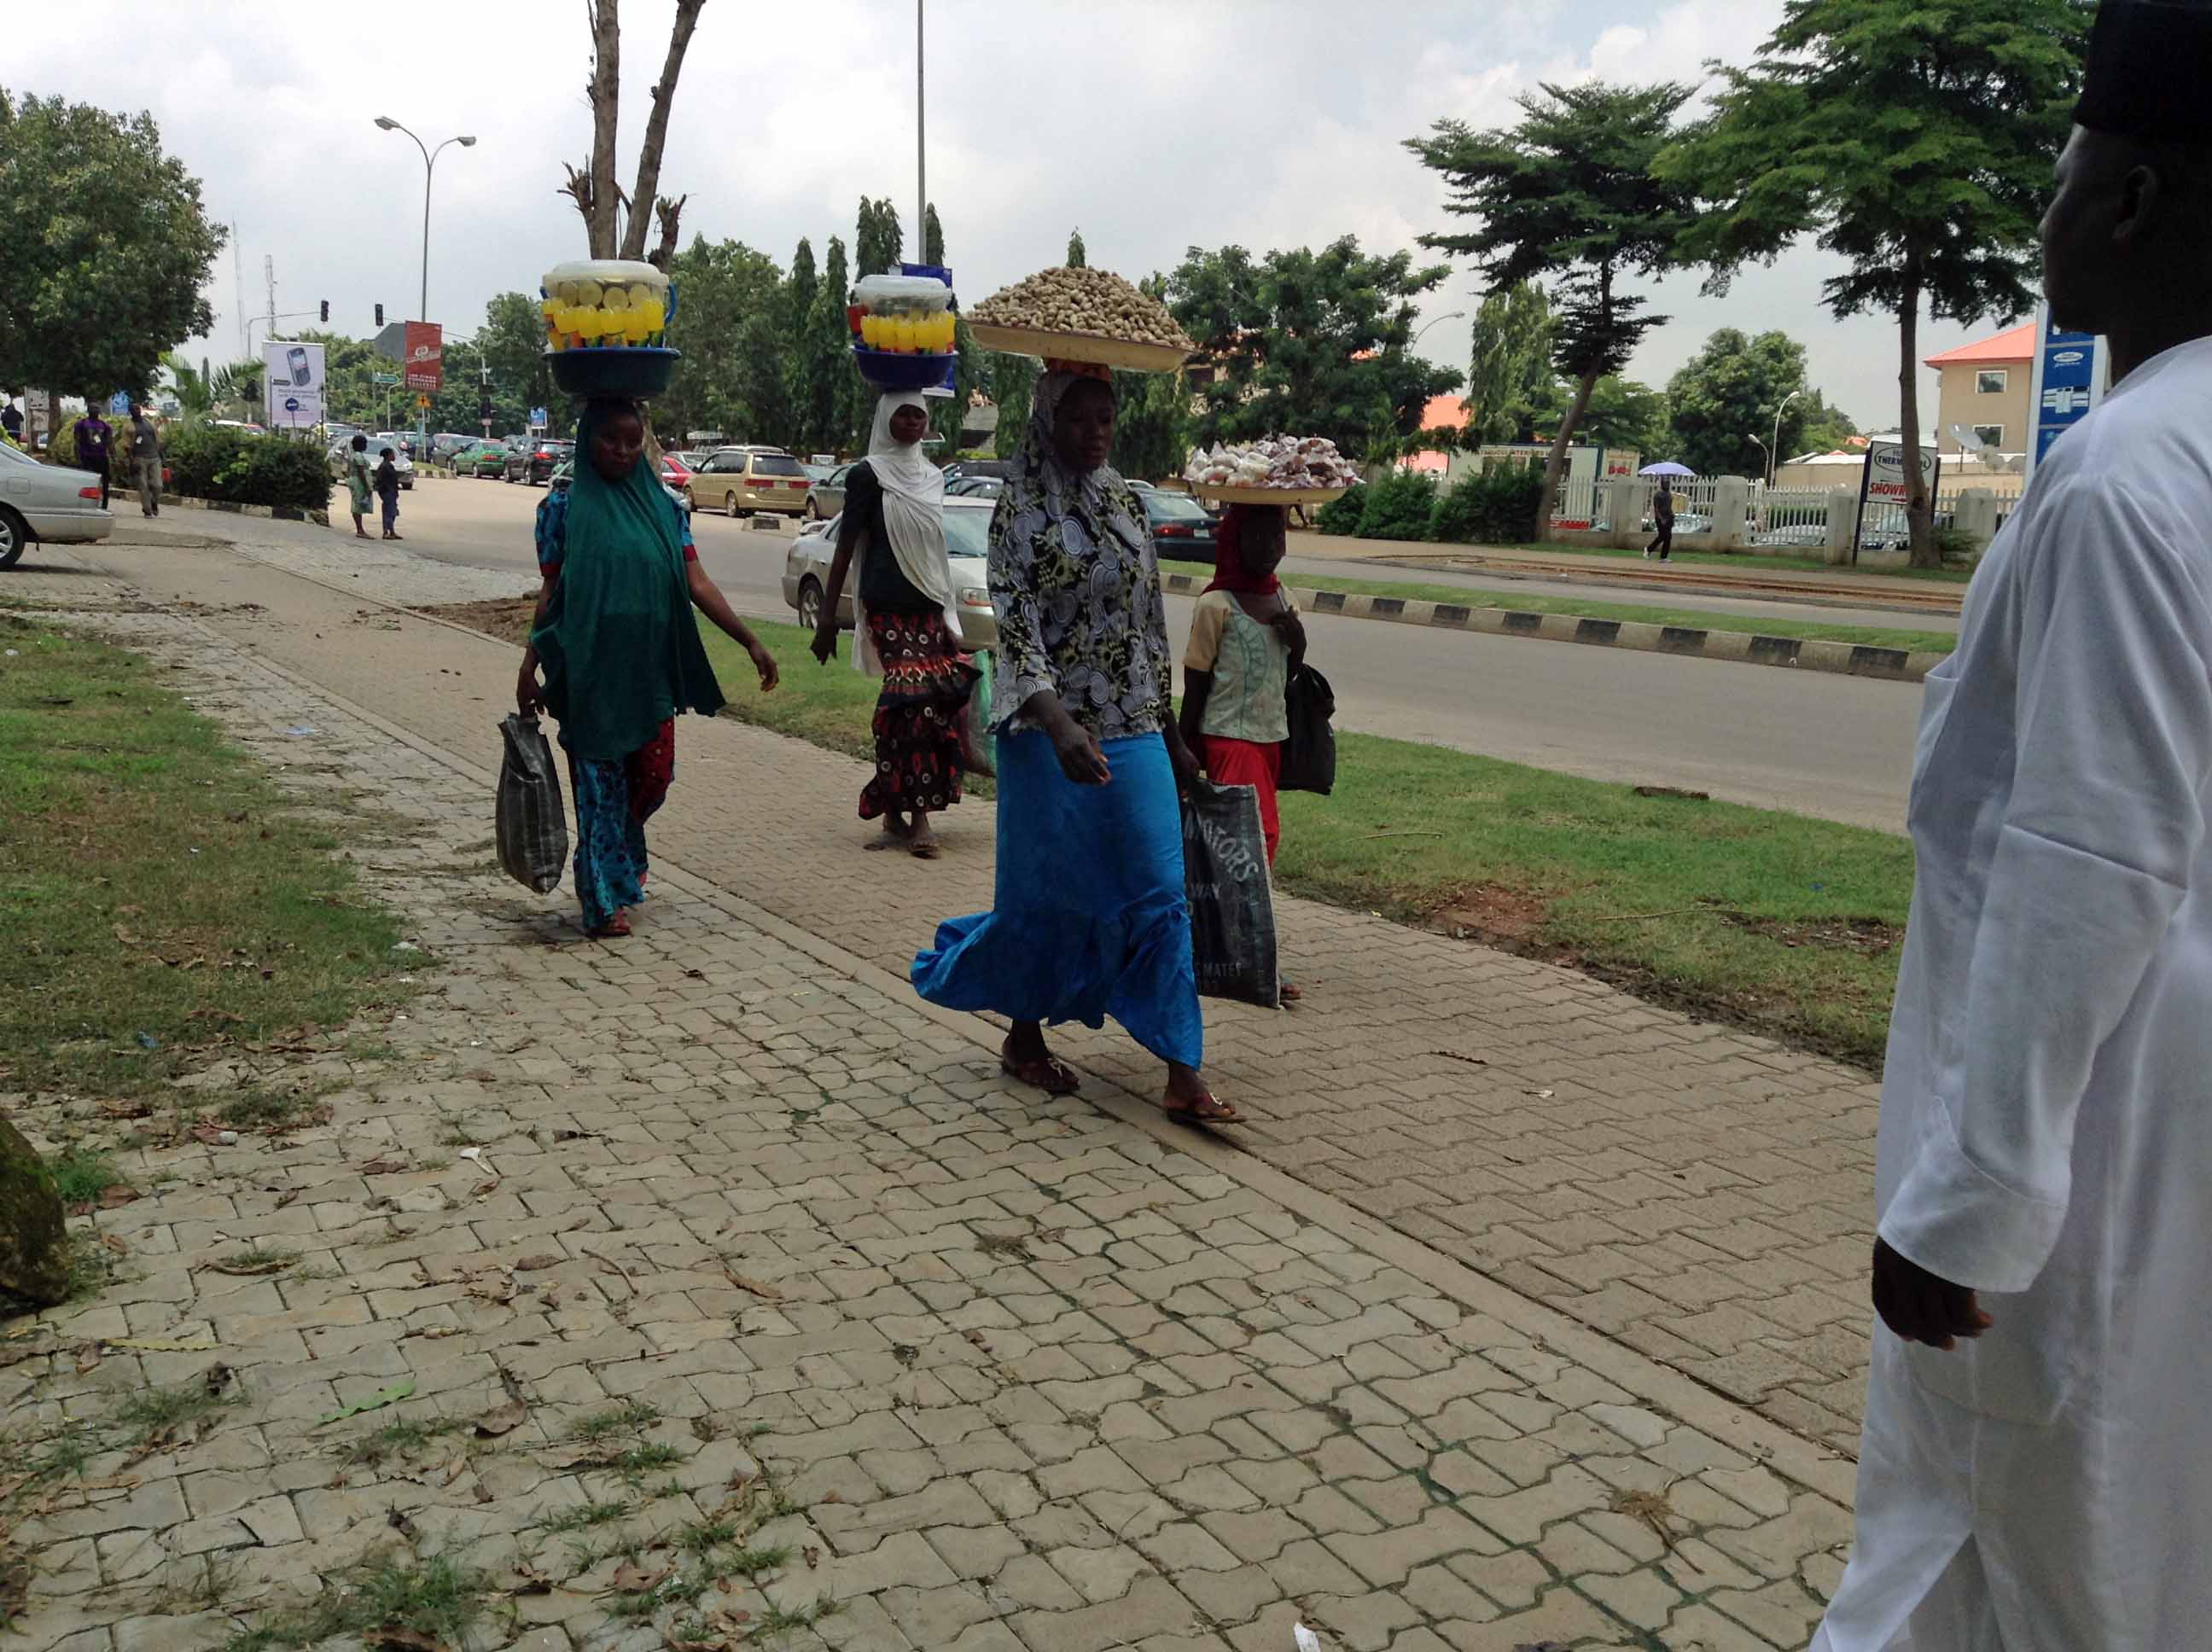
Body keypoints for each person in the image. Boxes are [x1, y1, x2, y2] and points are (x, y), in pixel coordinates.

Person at [1810, 4, 2212, 1648]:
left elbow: (2086, 859)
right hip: (2169, 1119)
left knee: (2003, 1527)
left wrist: (1971, 1197)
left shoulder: (2126, 473)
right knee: (2139, 1519)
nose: (2038, 220)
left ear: (2125, 203)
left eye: (2063, 177)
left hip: (2092, 1139)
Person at [912, 367, 1239, 1127]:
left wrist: (1174, 740)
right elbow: (1017, 633)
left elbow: (1147, 633)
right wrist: (1061, 727)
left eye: (1105, 418)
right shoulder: (1019, 510)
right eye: (1079, 419)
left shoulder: (1125, 500)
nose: (1095, 433)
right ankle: (1023, 1037)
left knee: (1160, 894)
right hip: (1046, 734)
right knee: (1046, 900)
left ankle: (1183, 1073)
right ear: (1047, 423)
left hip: (1131, 731)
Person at [517, 398, 780, 939]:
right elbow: (552, 591)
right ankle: (601, 897)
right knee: (598, 790)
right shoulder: (562, 510)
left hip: (650, 671)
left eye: (632, 441)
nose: (621, 450)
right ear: (588, 440)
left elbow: (696, 583)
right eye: (610, 439)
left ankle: (618, 857)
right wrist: (530, 662)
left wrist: (749, 641)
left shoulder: (666, 508)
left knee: (652, 778)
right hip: (589, 672)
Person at [809, 389, 978, 859]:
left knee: (925, 711)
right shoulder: (868, 475)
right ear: (885, 419)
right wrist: (827, 618)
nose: (911, 423)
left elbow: (935, 551)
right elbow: (846, 545)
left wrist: (949, 615)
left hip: (928, 605)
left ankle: (892, 812)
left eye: (918, 416)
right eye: (902, 414)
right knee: (911, 702)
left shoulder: (933, 477)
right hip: (886, 606)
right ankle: (918, 819)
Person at [1179, 503, 1307, 1001]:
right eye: (1261, 536)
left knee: (1253, 851)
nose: (1273, 546)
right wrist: (1184, 753)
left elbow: (1288, 675)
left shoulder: (1285, 599)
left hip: (1269, 738)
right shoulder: (1217, 605)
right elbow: (1195, 682)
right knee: (1250, 849)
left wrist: (1298, 642)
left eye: (1280, 535)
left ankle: (1232, 950)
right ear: (1236, 540)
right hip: (1228, 739)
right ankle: (1252, 961)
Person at [73, 408, 114, 509]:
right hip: (87, 457)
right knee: (88, 482)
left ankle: (104, 506)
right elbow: (77, 442)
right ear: (88, 410)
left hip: (101, 457)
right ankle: (87, 505)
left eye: (97, 408)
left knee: (104, 483)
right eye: (93, 408)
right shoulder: (81, 424)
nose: (95, 410)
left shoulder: (105, 425)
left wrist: (113, 456)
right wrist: (78, 458)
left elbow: (109, 442)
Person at [128, 404, 161, 516]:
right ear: (130, 412)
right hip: (139, 458)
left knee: (158, 485)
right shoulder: (129, 426)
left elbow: (156, 438)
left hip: (154, 457)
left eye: (138, 409)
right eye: (133, 409)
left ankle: (154, 502)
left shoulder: (149, 422)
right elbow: (126, 446)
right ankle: (147, 509)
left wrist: (160, 452)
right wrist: (131, 460)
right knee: (143, 486)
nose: (136, 411)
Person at [344, 434, 375, 539]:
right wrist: (367, 486)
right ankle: (360, 530)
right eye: (365, 444)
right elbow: (361, 472)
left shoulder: (352, 455)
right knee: (358, 504)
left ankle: (360, 529)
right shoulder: (358, 456)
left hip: (354, 480)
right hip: (359, 483)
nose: (366, 446)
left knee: (357, 503)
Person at [374, 447, 403, 540]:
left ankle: (392, 531)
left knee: (392, 512)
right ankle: (386, 532)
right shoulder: (385, 466)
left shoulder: (388, 465)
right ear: (388, 455)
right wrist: (387, 490)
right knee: (388, 512)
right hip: (387, 492)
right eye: (393, 454)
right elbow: (380, 480)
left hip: (391, 491)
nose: (394, 456)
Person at [1644, 482, 1674, 561]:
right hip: (1661, 519)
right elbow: (1656, 508)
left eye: (1668, 483)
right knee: (1664, 536)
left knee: (1667, 537)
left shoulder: (1669, 495)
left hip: (1669, 518)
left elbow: (1669, 507)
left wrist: (1670, 516)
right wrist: (1661, 519)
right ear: (1662, 485)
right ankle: (1652, 551)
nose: (1667, 485)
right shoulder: (1658, 495)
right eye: (1665, 483)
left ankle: (1660, 555)